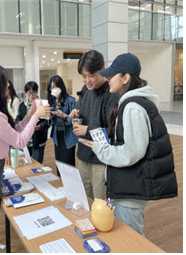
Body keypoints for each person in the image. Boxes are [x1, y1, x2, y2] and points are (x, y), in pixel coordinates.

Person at [80, 53, 178, 236]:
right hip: (129, 185)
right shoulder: (132, 103)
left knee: (130, 240)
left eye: (112, 75)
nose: (107, 79)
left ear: (125, 78)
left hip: (131, 189)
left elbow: (131, 153)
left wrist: (100, 148)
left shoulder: (133, 107)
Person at [0, 63, 50, 253]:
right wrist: (37, 116)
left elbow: (13, 132)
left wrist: (30, 115)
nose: (8, 86)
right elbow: (20, 141)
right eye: (5, 82)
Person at [70, 50, 119, 200]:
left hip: (101, 158)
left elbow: (114, 130)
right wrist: (75, 115)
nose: (87, 80)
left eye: (91, 75)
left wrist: (87, 130)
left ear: (102, 69)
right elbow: (83, 114)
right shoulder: (85, 90)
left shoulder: (111, 93)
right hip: (84, 153)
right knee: (84, 198)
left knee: (100, 201)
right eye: (84, 76)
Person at [47, 75, 78, 176]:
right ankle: (61, 187)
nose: (54, 90)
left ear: (61, 87)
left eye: (56, 87)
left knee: (68, 166)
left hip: (68, 137)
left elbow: (74, 121)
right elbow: (51, 122)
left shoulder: (70, 101)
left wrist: (64, 115)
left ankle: (71, 188)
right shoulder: (52, 101)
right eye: (52, 88)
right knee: (59, 165)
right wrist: (50, 117)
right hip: (57, 137)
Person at [16, 81, 49, 163]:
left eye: (33, 93)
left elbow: (47, 122)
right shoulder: (22, 105)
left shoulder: (42, 104)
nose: (31, 96)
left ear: (37, 92)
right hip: (25, 141)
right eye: (29, 94)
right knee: (25, 164)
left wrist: (40, 126)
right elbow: (18, 119)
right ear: (26, 93)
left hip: (38, 140)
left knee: (37, 164)